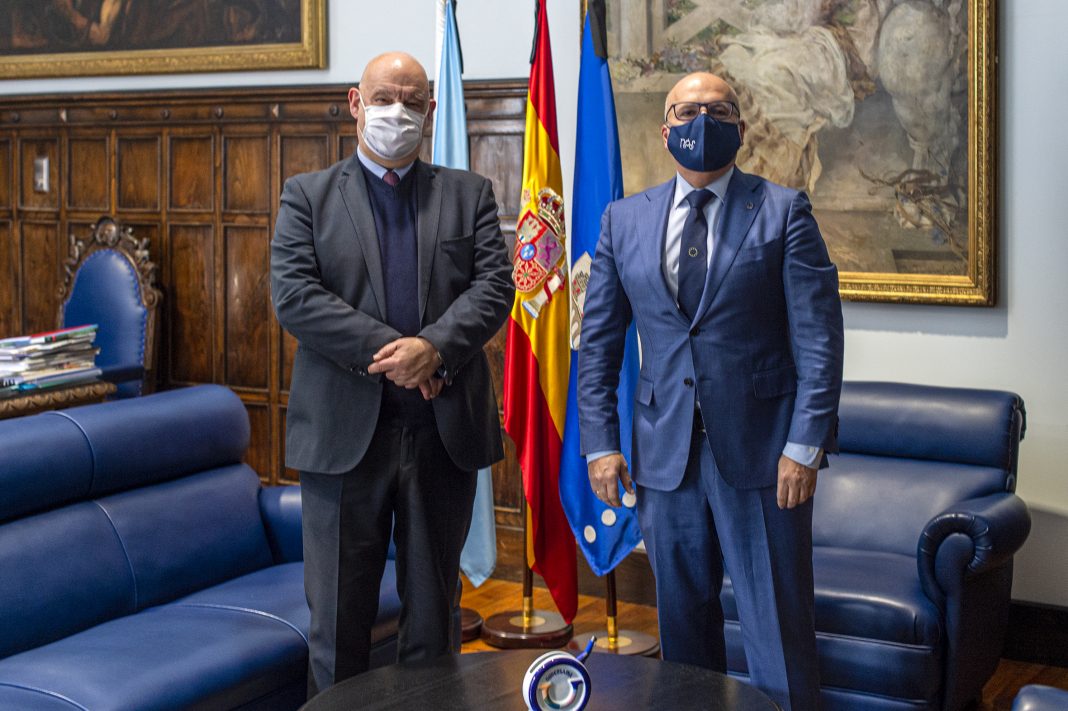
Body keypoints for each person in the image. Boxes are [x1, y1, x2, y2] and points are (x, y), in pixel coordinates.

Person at [577, 72, 844, 710]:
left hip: (765, 459)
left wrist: (805, 446)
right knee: (684, 639)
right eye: (688, 111)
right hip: (664, 459)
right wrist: (600, 444)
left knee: (778, 634)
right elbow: (600, 344)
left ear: (741, 129)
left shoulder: (784, 211)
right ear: (665, 129)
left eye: (719, 110)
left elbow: (819, 341)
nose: (703, 121)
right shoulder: (623, 220)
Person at [270, 51, 513, 696]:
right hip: (343, 441)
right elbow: (295, 297)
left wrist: (436, 348)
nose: (396, 112)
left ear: (430, 111)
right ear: (356, 103)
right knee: (339, 625)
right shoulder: (307, 196)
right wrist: (403, 352)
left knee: (434, 625)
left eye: (410, 101)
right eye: (383, 98)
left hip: (442, 436)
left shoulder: (468, 194)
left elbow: (495, 288)